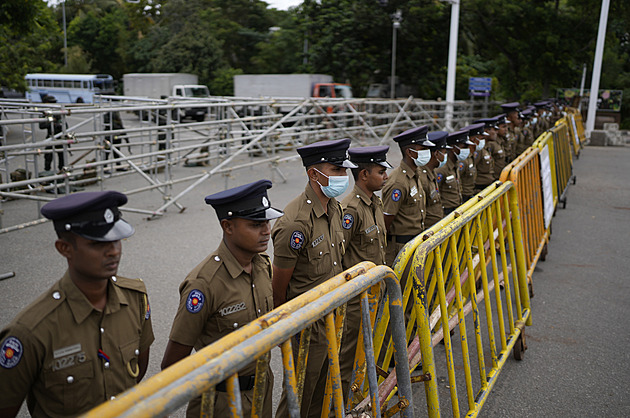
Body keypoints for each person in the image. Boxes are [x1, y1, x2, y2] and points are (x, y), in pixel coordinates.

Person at [0, 191, 154, 417]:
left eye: (116, 240)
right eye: (97, 243)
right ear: (65, 248)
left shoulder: (134, 299)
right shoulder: (30, 330)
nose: (113, 251)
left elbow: (137, 370)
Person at [161, 180, 283, 417]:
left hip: (261, 390)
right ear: (228, 226)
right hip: (219, 402)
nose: (266, 230)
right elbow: (172, 363)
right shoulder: (203, 283)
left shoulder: (261, 265)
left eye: (266, 221)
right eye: (256, 224)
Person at [271, 138, 356, 418]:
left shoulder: (334, 208)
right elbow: (279, 286)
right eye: (336, 170)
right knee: (299, 396)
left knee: (322, 392)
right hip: (307, 323)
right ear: (313, 174)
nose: (344, 176)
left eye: (344, 171)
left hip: (333, 315)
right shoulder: (296, 222)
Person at [338, 145, 391, 403]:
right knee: (349, 356)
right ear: (364, 175)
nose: (386, 177)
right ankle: (345, 405)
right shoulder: (351, 210)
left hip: (374, 293)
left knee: (367, 350)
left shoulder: (374, 203)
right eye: (381, 172)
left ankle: (361, 399)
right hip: (356, 300)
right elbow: (340, 257)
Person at [381, 126, 434, 266]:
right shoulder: (398, 182)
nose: (428, 153)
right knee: (404, 286)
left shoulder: (415, 175)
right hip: (400, 247)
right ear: (410, 152)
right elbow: (386, 219)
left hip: (414, 243)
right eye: (423, 150)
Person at [436, 130, 475, 216]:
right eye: (464, 147)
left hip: (457, 209)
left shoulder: (456, 165)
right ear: (453, 148)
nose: (467, 150)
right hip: (447, 212)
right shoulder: (442, 169)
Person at [420, 131, 449, 228]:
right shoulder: (421, 177)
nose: (445, 156)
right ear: (437, 153)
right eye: (444, 153)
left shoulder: (432, 173)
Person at [39, 94, 66, 172]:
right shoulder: (45, 113)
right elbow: (41, 125)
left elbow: (64, 124)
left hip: (60, 136)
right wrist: (52, 122)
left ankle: (62, 171)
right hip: (51, 136)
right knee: (48, 156)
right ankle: (47, 172)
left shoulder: (57, 111)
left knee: (62, 156)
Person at [459, 123, 486, 202]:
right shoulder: (463, 160)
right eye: (481, 138)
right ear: (473, 140)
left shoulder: (471, 155)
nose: (483, 141)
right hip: (464, 197)